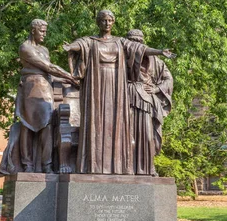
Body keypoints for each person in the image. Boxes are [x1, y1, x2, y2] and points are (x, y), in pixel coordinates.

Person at [63, 10, 173, 175]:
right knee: (96, 122)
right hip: (96, 86)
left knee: (115, 124)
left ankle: (117, 166)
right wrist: (70, 46)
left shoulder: (120, 42)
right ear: (98, 22)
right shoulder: (91, 41)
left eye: (110, 20)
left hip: (116, 88)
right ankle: (92, 165)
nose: (107, 23)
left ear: (113, 23)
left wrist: (159, 51)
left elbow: (139, 49)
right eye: (103, 20)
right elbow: (80, 45)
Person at [16, 19, 78, 173]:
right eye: (41, 31)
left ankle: (47, 164)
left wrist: (66, 79)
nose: (44, 34)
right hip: (31, 88)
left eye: (45, 31)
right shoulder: (25, 48)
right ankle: (28, 164)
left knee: (47, 125)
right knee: (27, 125)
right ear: (33, 30)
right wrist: (70, 76)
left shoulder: (44, 50)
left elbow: (49, 73)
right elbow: (48, 67)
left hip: (45, 88)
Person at [126, 29, 173, 176]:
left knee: (149, 135)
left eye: (139, 41)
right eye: (133, 41)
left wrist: (157, 88)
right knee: (128, 135)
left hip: (147, 102)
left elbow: (168, 79)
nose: (136, 45)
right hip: (127, 99)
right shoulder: (122, 60)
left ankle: (148, 166)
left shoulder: (157, 62)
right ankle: (127, 166)